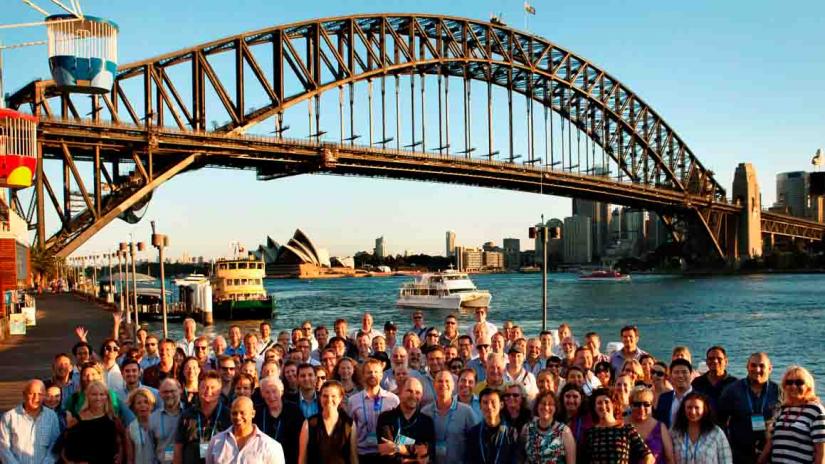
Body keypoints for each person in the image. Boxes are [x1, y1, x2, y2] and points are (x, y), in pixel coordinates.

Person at [717, 352, 779, 464]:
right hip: (739, 453)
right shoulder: (732, 390)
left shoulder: (778, 391)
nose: (757, 369)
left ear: (770, 368)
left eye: (762, 366)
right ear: (747, 367)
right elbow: (720, 420)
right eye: (753, 365)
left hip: (770, 452)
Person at [764, 365, 825, 464]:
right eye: (789, 382)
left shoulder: (815, 410)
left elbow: (821, 453)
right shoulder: (783, 410)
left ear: (808, 386)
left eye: (799, 382)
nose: (793, 386)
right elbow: (772, 440)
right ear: (784, 386)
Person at [580, 387, 654, 464]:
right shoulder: (590, 433)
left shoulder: (627, 429)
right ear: (594, 408)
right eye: (599, 403)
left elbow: (649, 457)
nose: (603, 406)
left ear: (613, 404)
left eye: (606, 402)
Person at [62, 380, 127, 463]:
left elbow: (121, 440)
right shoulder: (78, 419)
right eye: (94, 394)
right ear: (88, 396)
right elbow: (63, 444)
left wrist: (120, 456)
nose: (98, 398)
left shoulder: (113, 419)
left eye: (101, 394)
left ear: (106, 396)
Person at [203, 396, 284, 463]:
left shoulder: (270, 446)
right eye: (234, 413)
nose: (238, 417)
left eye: (242, 413)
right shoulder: (216, 442)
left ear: (253, 414)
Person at [174, 371, 231, 464]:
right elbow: (178, 447)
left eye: (213, 388)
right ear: (198, 388)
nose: (208, 391)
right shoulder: (187, 415)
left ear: (220, 390)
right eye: (204, 387)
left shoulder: (228, 415)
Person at [349, 358, 400, 462]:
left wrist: (398, 447)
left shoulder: (393, 400)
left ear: (381, 375)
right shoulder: (353, 401)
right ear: (363, 375)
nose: (372, 375)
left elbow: (400, 428)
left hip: (387, 456)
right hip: (362, 454)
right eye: (369, 372)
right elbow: (350, 430)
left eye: (376, 372)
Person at [421, 371, 477, 464]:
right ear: (434, 385)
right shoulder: (425, 412)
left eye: (447, 381)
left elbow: (475, 442)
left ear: (453, 386)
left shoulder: (466, 411)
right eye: (440, 381)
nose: (443, 384)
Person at [0, 379, 61, 464]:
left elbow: (55, 446)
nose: (36, 398)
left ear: (44, 396)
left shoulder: (52, 417)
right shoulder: (9, 417)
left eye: (40, 394)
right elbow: (3, 448)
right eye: (32, 393)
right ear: (24, 395)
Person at [298, 380, 359, 464]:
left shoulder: (349, 424)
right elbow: (302, 458)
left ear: (340, 398)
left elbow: (353, 457)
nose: (329, 400)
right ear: (320, 397)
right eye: (325, 396)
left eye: (333, 396)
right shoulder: (309, 424)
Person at [376, 377, 435, 463]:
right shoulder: (385, 418)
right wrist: (415, 456)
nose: (413, 396)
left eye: (417, 393)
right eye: (409, 391)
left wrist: (398, 448)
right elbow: (387, 455)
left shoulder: (427, 422)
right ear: (400, 392)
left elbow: (426, 453)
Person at [670, 392, 732, 464]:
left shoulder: (716, 433)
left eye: (697, 408)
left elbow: (726, 460)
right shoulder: (674, 432)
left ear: (704, 409)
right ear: (684, 409)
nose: (693, 412)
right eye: (689, 407)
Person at [254, 376, 303, 464]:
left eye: (274, 391)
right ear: (262, 394)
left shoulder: (294, 411)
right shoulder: (257, 413)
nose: (271, 396)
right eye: (267, 392)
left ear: (281, 392)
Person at [465, 388, 522, 463]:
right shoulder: (474, 433)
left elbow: (515, 460)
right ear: (480, 406)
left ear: (501, 405)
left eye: (493, 402)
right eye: (485, 402)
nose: (489, 406)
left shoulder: (511, 433)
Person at [520, 390, 576, 464]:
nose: (546, 407)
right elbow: (520, 457)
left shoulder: (564, 431)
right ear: (537, 406)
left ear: (555, 408)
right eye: (543, 403)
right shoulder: (527, 428)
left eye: (550, 404)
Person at [628, 386, 675, 464]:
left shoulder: (661, 427)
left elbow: (670, 458)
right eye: (637, 404)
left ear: (652, 404)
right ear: (630, 404)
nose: (641, 408)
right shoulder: (622, 425)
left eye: (646, 404)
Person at [691, 346, 737, 415]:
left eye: (719, 358)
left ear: (726, 362)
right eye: (711, 358)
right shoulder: (697, 382)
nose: (715, 361)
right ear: (706, 362)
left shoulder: (735, 384)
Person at [149, 378, 183, 464]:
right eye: (165, 392)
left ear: (180, 390)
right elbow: (150, 449)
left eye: (172, 391)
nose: (169, 394)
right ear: (160, 394)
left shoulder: (190, 414)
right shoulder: (153, 418)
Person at [653, 359, 693, 428]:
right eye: (676, 372)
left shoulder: (701, 399)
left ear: (691, 375)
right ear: (670, 376)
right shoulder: (663, 398)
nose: (680, 375)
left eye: (684, 372)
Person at [127, 387, 157, 464]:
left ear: (152, 405)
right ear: (134, 406)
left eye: (146, 402)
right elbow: (130, 458)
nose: (142, 405)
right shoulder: (130, 429)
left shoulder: (159, 423)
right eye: (139, 403)